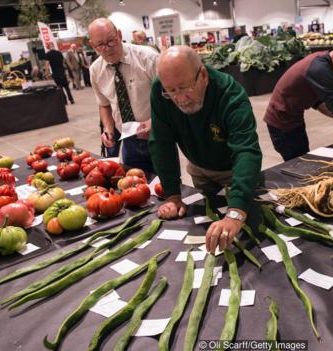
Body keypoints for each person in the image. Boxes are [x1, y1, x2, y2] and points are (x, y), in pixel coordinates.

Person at [148, 46, 262, 253]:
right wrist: (172, 194)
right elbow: (161, 142)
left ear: (203, 75)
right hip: (199, 168)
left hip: (234, 172)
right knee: (208, 217)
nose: (180, 98)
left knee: (247, 228)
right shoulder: (159, 90)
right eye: (171, 91)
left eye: (184, 88)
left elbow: (246, 151)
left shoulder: (231, 94)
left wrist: (235, 212)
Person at [263, 30, 333, 161]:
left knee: (302, 158)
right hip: (282, 123)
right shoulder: (320, 69)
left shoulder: (326, 63)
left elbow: (319, 102)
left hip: (292, 119)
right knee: (299, 164)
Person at [88, 18, 158, 174]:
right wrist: (108, 129)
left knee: (167, 187)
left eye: (111, 41)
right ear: (92, 45)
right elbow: (104, 105)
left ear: (119, 35)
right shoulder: (95, 70)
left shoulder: (148, 58)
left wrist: (153, 121)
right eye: (100, 45)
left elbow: (169, 97)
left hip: (157, 136)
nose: (107, 48)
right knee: (135, 186)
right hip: (128, 140)